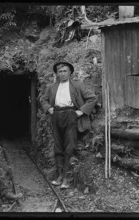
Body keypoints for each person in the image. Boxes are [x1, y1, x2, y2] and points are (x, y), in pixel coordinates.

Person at [41, 59, 98, 189]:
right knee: (58, 146)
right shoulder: (52, 87)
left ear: (70, 72)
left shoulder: (77, 85)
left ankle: (66, 178)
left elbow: (93, 98)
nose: (62, 74)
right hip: (56, 115)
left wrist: (81, 111)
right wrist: (48, 108)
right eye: (60, 71)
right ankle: (60, 175)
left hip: (71, 116)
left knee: (69, 145)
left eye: (65, 71)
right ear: (56, 73)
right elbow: (43, 99)